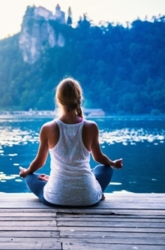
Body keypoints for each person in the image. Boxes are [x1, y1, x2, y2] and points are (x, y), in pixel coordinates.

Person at [19, 77, 123, 207]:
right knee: (106, 169)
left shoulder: (47, 128)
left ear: (58, 100)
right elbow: (99, 158)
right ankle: (95, 192)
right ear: (79, 98)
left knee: (30, 176)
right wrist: (112, 163)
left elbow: (39, 162)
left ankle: (53, 183)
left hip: (56, 198)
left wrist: (26, 172)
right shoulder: (91, 127)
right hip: (88, 198)